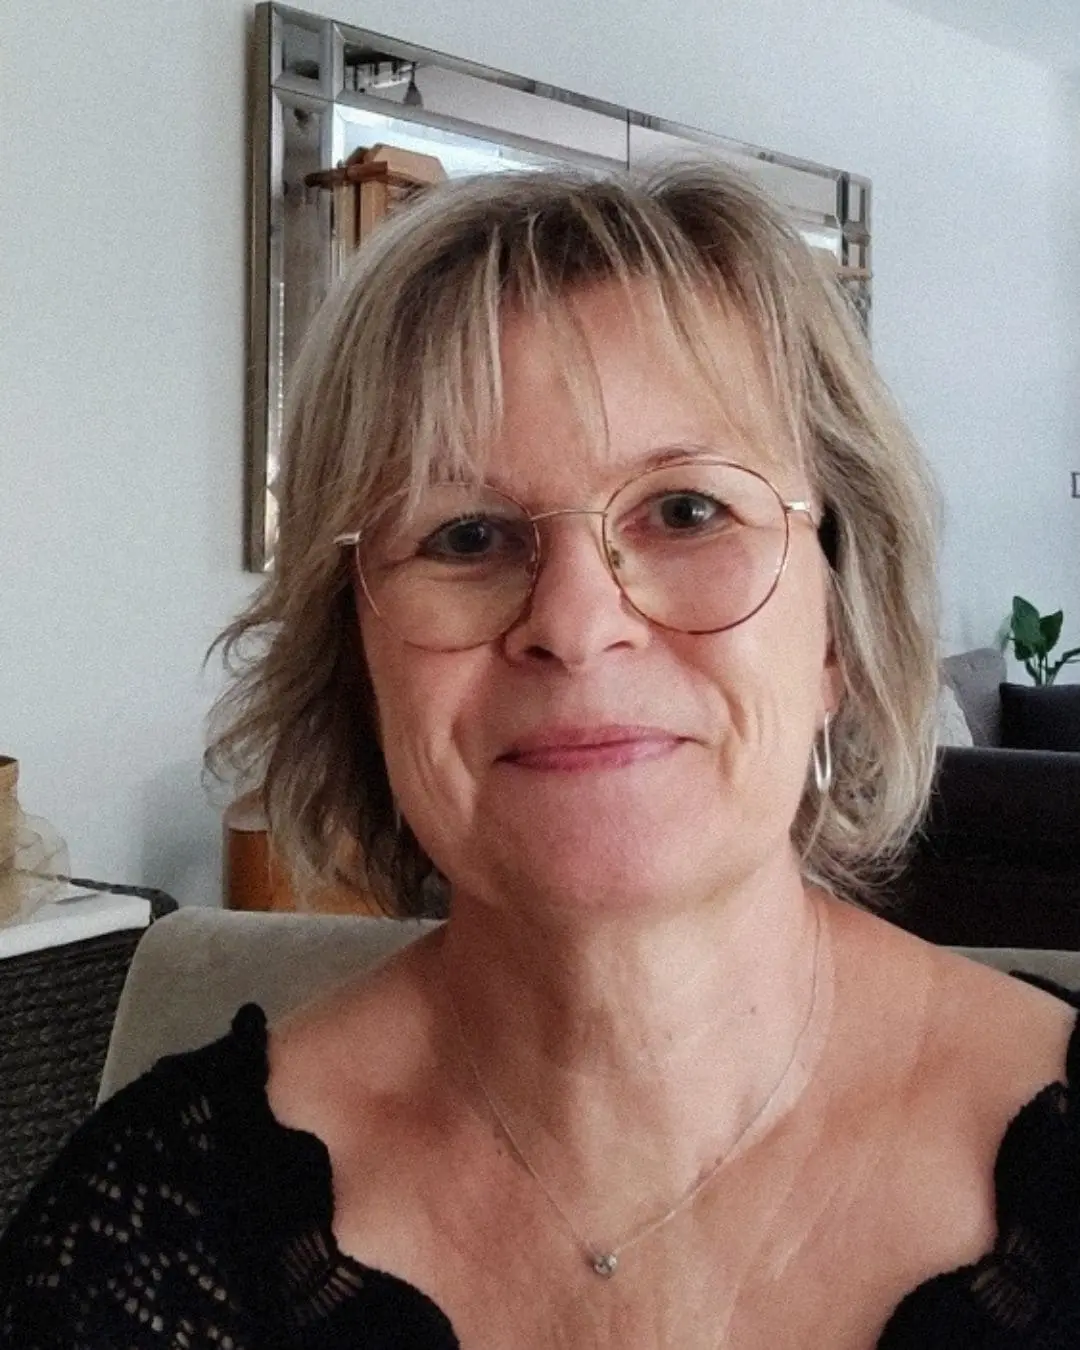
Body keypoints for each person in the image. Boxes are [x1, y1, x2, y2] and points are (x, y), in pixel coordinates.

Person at [2, 162, 1078, 1350]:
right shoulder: (141, 1240)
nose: (573, 623)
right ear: (358, 659)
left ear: (838, 625)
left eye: (687, 511)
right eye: (467, 535)